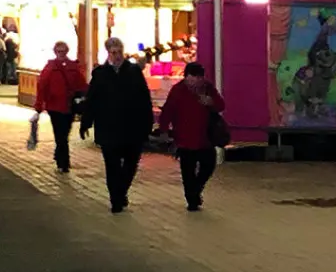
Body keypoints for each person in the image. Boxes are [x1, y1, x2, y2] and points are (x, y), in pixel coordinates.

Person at [79, 36, 154, 213]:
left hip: (132, 128)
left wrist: (148, 124)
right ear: (108, 53)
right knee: (112, 166)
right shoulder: (100, 74)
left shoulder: (134, 71)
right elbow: (92, 100)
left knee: (130, 164)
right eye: (114, 52)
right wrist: (86, 123)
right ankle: (116, 199)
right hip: (108, 128)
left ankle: (121, 191)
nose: (117, 55)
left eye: (119, 51)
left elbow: (144, 99)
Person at [157, 62, 226, 211]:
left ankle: (196, 189)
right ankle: (192, 199)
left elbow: (221, 105)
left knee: (208, 165)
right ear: (186, 77)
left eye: (200, 77)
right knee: (187, 171)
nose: (197, 80)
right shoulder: (178, 91)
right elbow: (167, 111)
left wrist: (211, 102)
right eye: (194, 77)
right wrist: (164, 130)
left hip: (205, 138)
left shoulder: (208, 88)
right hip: (184, 139)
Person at [32, 41, 88, 174]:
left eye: (63, 51)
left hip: (69, 106)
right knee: (60, 134)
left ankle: (60, 156)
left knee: (64, 134)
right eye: (59, 51)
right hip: (55, 107)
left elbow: (82, 86)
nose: (61, 54)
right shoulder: (50, 67)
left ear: (66, 52)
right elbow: (42, 87)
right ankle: (64, 162)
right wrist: (39, 106)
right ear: (55, 52)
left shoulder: (72, 67)